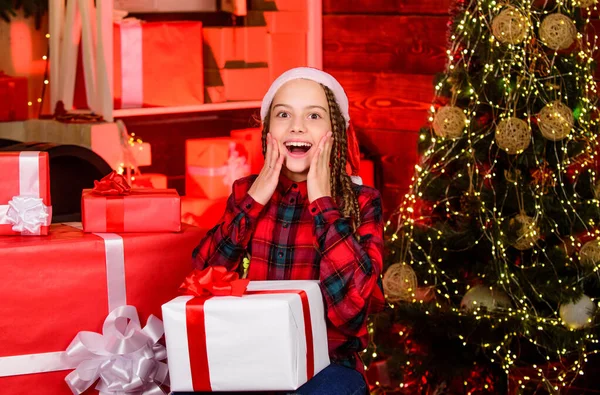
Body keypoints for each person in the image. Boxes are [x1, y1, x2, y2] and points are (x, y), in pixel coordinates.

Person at [185, 67, 384, 395]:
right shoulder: (244, 192)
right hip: (252, 355)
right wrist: (254, 200)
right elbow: (202, 275)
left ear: (335, 130)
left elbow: (351, 312)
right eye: (283, 114)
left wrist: (322, 202)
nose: (297, 126)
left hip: (327, 366)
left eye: (314, 115)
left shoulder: (363, 201)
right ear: (267, 131)